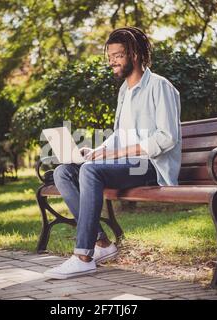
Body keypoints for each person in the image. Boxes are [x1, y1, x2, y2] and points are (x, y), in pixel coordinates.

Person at [44, 26, 182, 279]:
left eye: (117, 56)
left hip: (151, 167)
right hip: (127, 163)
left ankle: (83, 256)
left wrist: (113, 156)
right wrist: (96, 150)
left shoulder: (160, 87)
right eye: (110, 57)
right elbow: (119, 135)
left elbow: (166, 137)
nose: (112, 62)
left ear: (135, 54)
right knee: (63, 171)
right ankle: (102, 245)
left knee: (91, 171)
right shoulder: (124, 92)